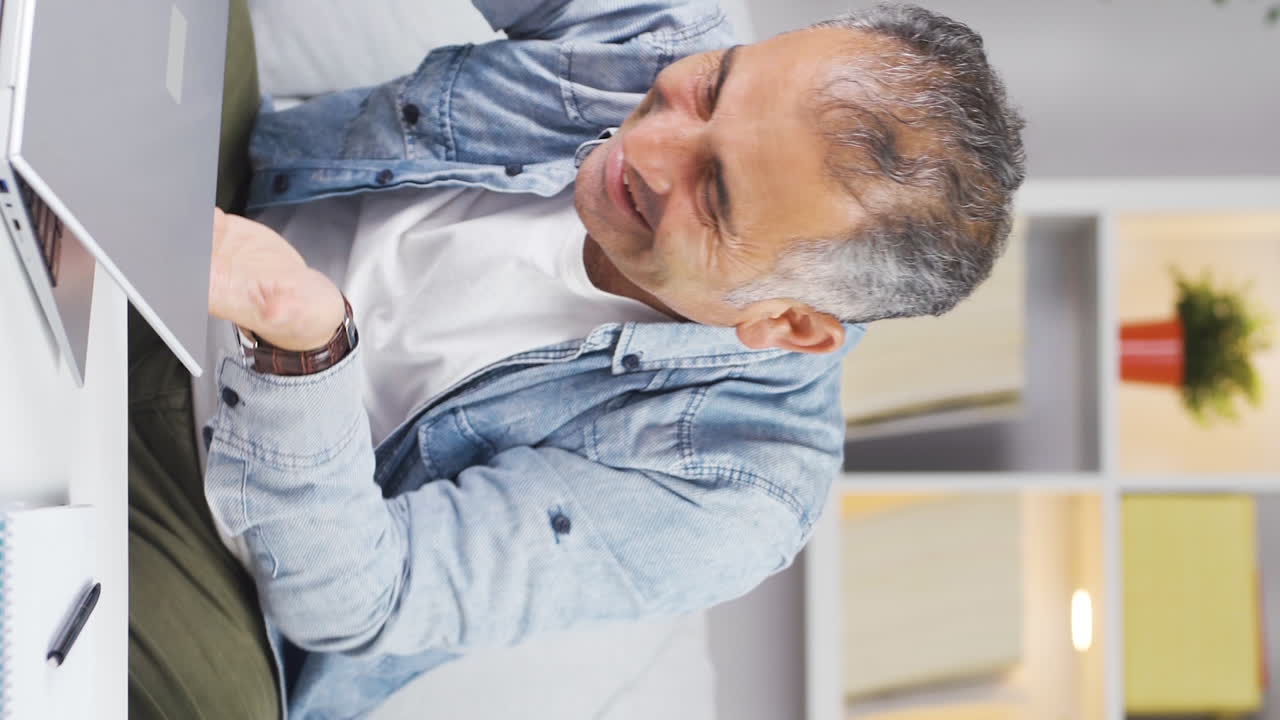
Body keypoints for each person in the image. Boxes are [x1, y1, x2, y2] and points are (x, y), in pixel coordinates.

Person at [128, 0, 1026, 717]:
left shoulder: (738, 486)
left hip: (221, 526)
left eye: (713, 192)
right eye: (712, 88)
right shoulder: (664, 31)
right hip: (227, 201)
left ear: (789, 324)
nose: (643, 147)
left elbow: (363, 596)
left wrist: (299, 341)